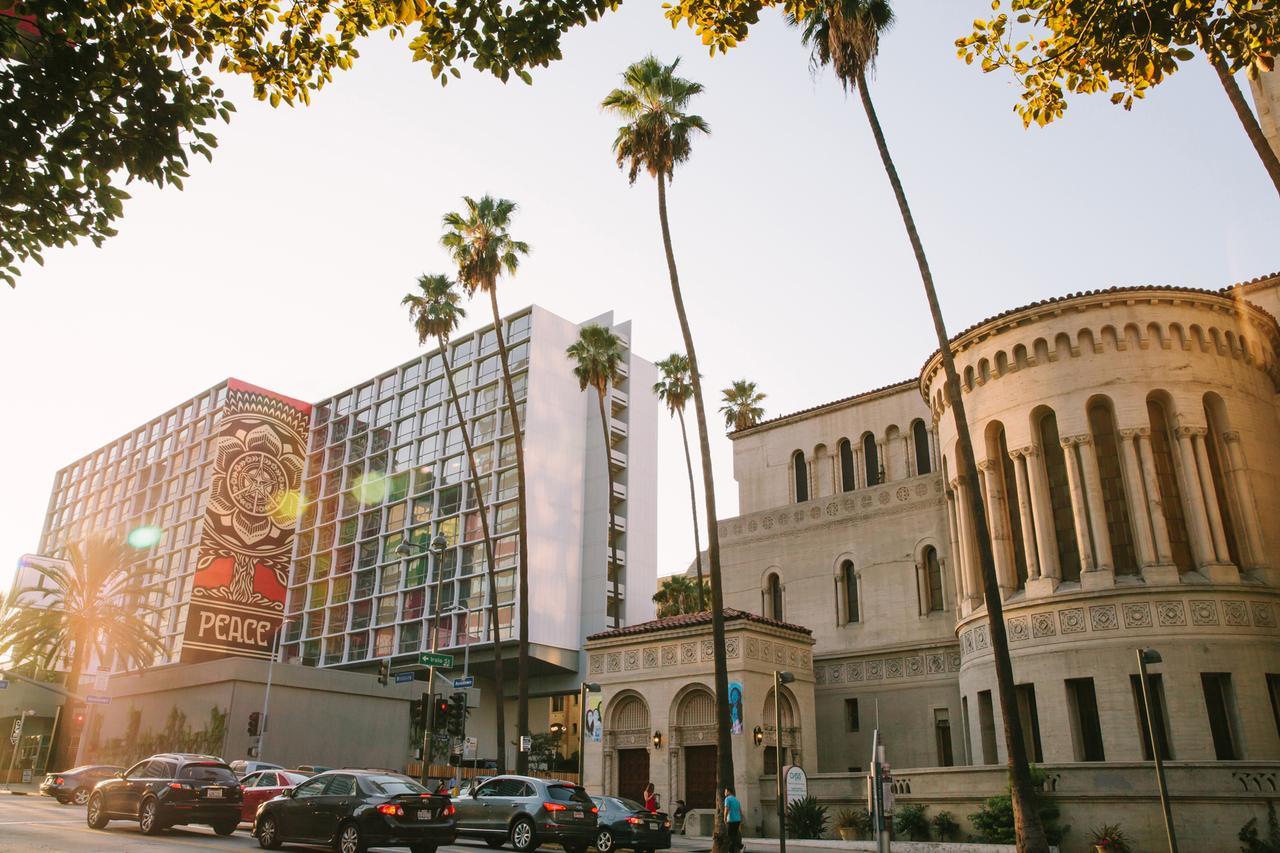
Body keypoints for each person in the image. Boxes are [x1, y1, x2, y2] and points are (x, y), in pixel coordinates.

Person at [723, 786, 742, 853]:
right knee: (734, 835)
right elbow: (740, 811)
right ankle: (734, 849)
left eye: (725, 791)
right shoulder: (736, 800)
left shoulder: (727, 799)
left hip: (731, 819)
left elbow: (726, 809)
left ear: (728, 792)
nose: (724, 793)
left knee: (730, 836)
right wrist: (740, 819)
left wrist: (724, 818)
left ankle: (739, 846)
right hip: (737, 820)